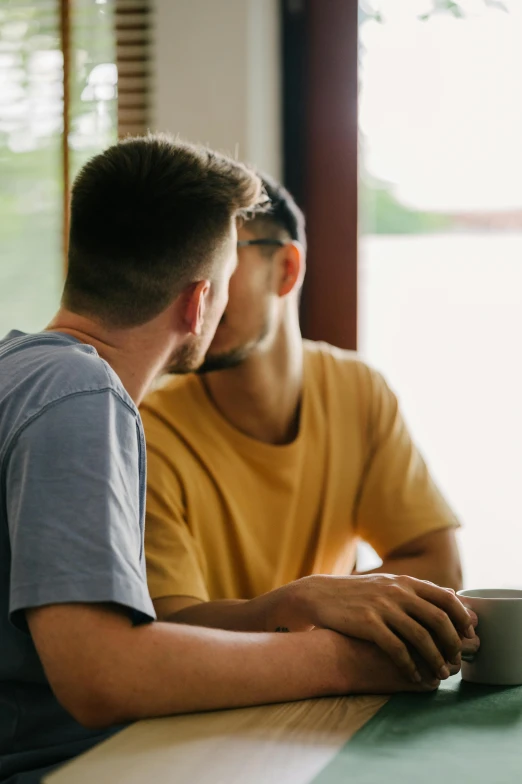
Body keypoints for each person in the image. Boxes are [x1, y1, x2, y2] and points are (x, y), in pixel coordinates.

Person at [0, 137, 477, 784]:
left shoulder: (21, 372)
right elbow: (101, 674)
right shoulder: (82, 396)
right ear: (199, 303)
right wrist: (350, 662)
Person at [142, 173, 474, 654]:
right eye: (177, 262)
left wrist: (338, 603)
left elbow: (438, 563)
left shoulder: (357, 391)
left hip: (321, 696)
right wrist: (306, 603)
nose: (194, 286)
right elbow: (174, 627)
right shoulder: (146, 426)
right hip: (208, 708)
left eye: (217, 257)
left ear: (286, 269)